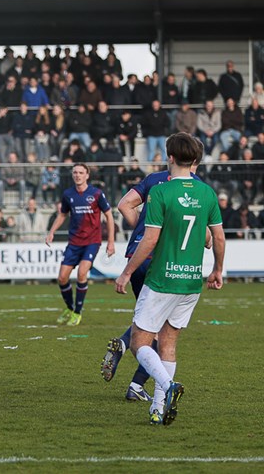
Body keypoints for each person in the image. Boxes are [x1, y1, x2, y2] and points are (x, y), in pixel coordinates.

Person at [114, 133, 225, 426]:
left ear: (170, 158)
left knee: (140, 343)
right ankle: (158, 409)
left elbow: (149, 240)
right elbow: (217, 237)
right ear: (195, 161)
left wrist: (126, 273)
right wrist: (218, 270)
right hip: (190, 281)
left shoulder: (160, 193)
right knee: (169, 342)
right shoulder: (207, 193)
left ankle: (167, 386)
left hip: (162, 278)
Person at [102, 136, 204, 401]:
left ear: (171, 157)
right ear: (195, 161)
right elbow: (206, 236)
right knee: (160, 332)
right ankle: (138, 386)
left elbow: (124, 204)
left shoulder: (152, 180)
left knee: (147, 322)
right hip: (161, 260)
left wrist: (140, 227)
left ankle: (124, 345)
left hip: (136, 257)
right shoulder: (198, 188)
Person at [45, 163, 115, 326]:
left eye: (81, 172)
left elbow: (109, 215)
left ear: (87, 175)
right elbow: (62, 215)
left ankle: (77, 312)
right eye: (75, 172)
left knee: (82, 273)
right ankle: (70, 308)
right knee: (62, 278)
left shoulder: (96, 194)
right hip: (74, 242)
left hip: (92, 241)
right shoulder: (68, 194)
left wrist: (110, 241)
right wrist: (51, 231)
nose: (77, 175)